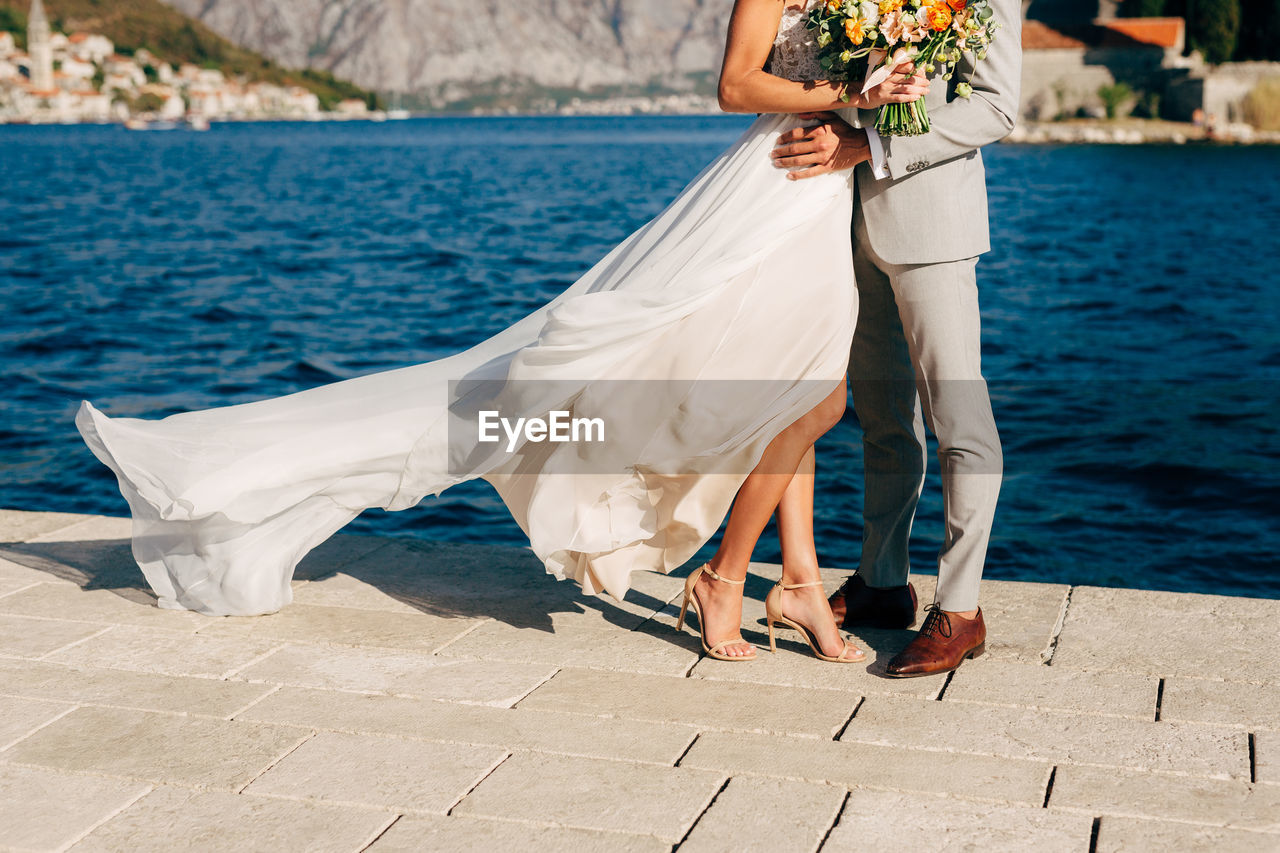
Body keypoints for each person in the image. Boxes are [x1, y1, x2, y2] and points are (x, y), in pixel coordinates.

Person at [75, 0, 926, 668]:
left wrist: (881, 98)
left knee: (802, 391)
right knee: (806, 397)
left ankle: (801, 585)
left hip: (822, 189)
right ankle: (728, 579)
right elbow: (736, 86)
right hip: (768, 190)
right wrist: (857, 93)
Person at [769, 0, 1022, 676]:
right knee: (883, 419)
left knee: (959, 420)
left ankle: (961, 608)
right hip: (841, 220)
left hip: (934, 225)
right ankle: (882, 581)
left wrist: (871, 145)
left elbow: (997, 106)